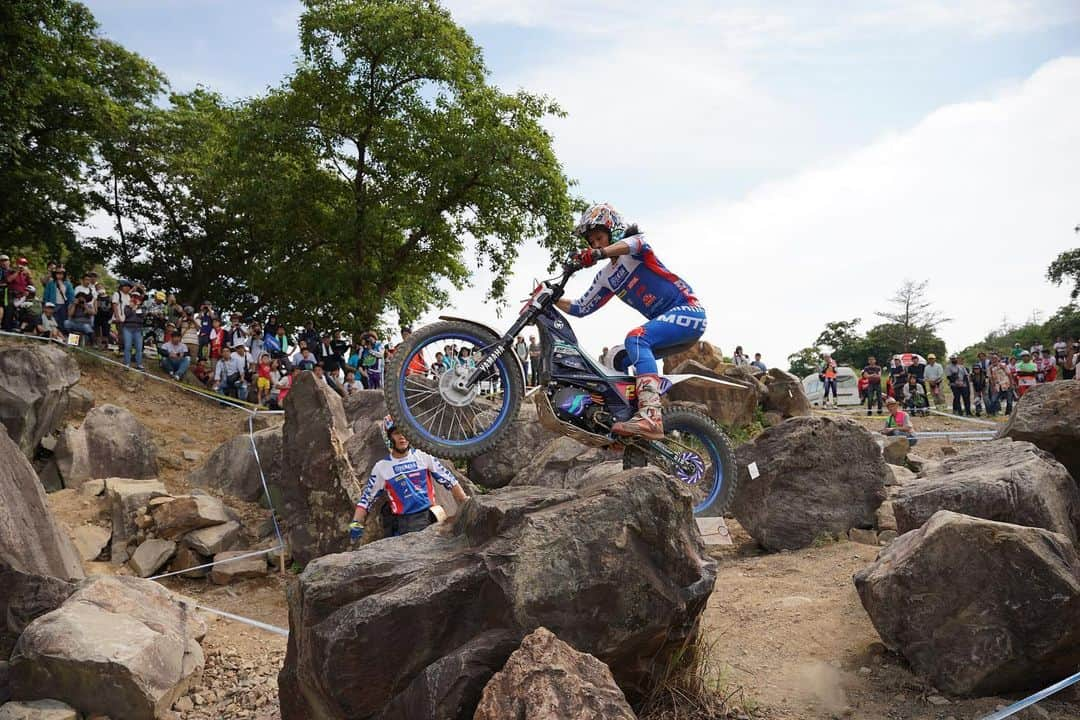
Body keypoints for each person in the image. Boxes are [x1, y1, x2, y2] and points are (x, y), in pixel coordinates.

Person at [555, 203, 705, 439]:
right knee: (615, 357)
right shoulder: (606, 276)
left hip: (689, 312)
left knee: (635, 338)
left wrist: (600, 254)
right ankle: (628, 420)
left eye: (599, 237)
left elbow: (636, 243)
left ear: (613, 230)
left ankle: (651, 416)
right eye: (591, 242)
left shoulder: (634, 246)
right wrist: (552, 298)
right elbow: (581, 307)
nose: (595, 244)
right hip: (666, 329)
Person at [348, 415, 469, 541]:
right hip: (402, 525)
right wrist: (356, 524)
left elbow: (449, 480)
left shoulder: (423, 456)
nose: (402, 436)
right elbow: (366, 500)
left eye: (405, 431)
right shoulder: (382, 468)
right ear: (388, 437)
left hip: (429, 518)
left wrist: (466, 503)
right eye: (396, 433)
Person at [120, 290, 147, 370]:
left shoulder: (143, 308)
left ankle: (139, 364)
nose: (135, 299)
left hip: (138, 329)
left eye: (136, 297)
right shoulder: (126, 307)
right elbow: (127, 315)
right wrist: (132, 308)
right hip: (128, 328)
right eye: (133, 297)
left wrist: (137, 307)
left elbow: (142, 316)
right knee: (128, 346)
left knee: (139, 347)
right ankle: (127, 363)